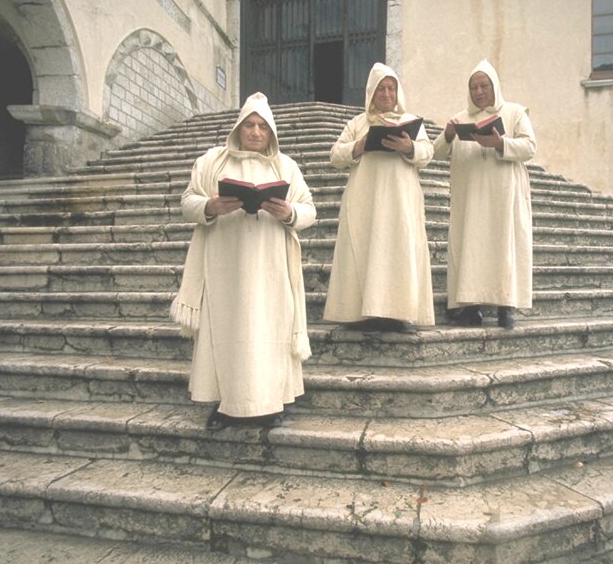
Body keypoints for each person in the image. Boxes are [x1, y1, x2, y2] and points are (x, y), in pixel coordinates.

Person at [170, 92, 316, 431]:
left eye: (263, 127)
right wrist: (210, 206)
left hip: (271, 266)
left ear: (271, 132)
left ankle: (271, 404)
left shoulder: (286, 166)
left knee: (269, 329)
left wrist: (289, 212)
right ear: (238, 127)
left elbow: (309, 209)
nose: (255, 132)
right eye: (249, 124)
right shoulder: (212, 161)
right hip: (225, 265)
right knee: (227, 330)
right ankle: (225, 405)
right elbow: (188, 200)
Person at [323, 62, 435, 332]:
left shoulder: (411, 122)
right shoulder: (357, 124)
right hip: (365, 201)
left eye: (391, 88)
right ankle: (359, 313)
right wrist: (359, 145)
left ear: (397, 92)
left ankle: (400, 313)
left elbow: (427, 153)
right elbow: (335, 156)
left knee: (400, 250)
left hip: (401, 201)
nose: (386, 94)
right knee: (364, 248)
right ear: (371, 93)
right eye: (381, 89)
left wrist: (409, 147)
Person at [433, 59, 536, 329]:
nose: (478, 92)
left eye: (484, 86)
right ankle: (471, 309)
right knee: (471, 250)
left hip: (503, 198)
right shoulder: (459, 119)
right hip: (470, 200)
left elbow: (529, 146)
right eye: (474, 87)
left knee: (504, 247)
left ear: (494, 86)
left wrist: (500, 143)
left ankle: (505, 307)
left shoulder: (515, 113)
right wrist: (447, 135)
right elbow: (436, 153)